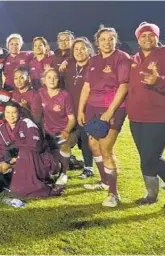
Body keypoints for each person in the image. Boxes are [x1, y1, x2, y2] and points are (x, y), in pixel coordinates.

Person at [127, 22, 165, 211]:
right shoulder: (134, 59)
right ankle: (151, 194)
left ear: (157, 37)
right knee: (145, 157)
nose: (147, 38)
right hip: (137, 117)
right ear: (137, 39)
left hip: (162, 116)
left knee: (152, 157)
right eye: (143, 35)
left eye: (151, 35)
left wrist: (158, 80)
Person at [78, 25, 132, 207]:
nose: (107, 42)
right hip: (92, 108)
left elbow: (124, 87)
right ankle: (104, 181)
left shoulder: (122, 58)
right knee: (93, 144)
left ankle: (113, 193)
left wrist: (109, 112)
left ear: (116, 40)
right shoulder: (93, 60)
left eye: (111, 38)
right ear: (97, 42)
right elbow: (86, 86)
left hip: (113, 109)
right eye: (103, 39)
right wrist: (80, 109)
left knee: (106, 149)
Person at [0, 101, 61, 198]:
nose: (11, 116)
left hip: (38, 160)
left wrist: (18, 156)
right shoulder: (1, 129)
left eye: (14, 112)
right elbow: (2, 149)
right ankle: (15, 181)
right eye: (8, 113)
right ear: (4, 113)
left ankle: (35, 185)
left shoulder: (27, 123)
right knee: (1, 166)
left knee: (24, 153)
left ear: (19, 112)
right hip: (15, 160)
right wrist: (9, 158)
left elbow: (36, 146)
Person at [61, 37, 96, 179]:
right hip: (70, 110)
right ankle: (65, 165)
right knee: (67, 138)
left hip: (87, 109)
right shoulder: (69, 64)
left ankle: (89, 167)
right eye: (76, 49)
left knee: (87, 139)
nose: (79, 51)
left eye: (82, 48)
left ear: (88, 49)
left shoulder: (94, 65)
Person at [38, 69, 76, 187]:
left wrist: (66, 130)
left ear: (58, 79)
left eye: (55, 77)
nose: (52, 80)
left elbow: (72, 118)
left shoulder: (65, 95)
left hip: (62, 131)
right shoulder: (40, 93)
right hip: (47, 132)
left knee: (64, 144)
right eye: (49, 77)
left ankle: (64, 174)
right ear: (44, 80)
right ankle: (67, 162)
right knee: (53, 168)